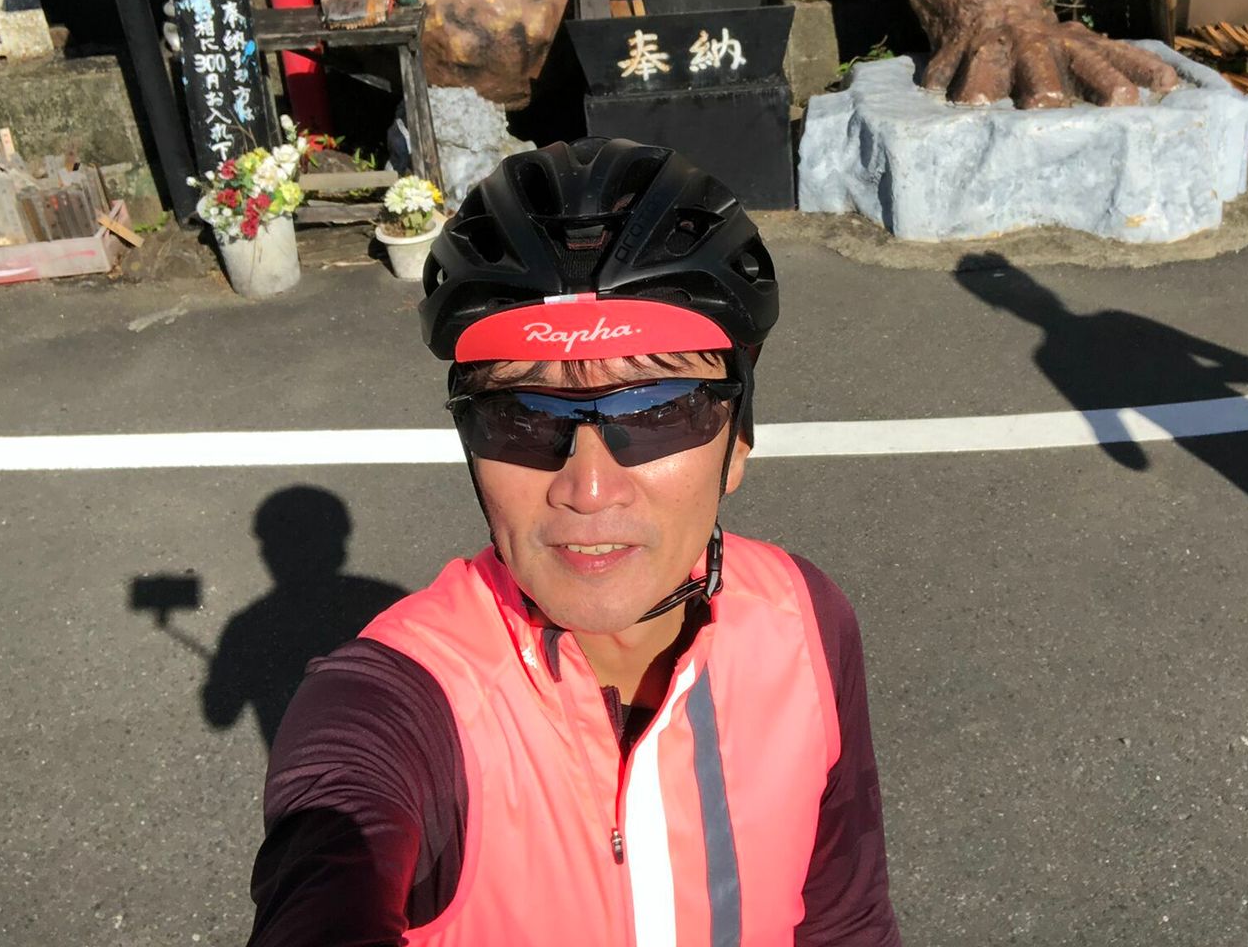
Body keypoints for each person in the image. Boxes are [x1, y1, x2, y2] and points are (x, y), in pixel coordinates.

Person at [247, 137, 900, 945]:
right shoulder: (406, 703)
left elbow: (846, 919)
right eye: (521, 414)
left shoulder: (806, 622)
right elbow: (337, 818)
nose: (588, 488)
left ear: (738, 438)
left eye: (658, 410)